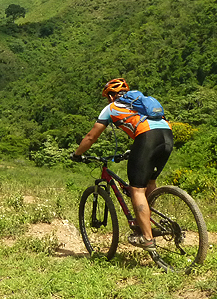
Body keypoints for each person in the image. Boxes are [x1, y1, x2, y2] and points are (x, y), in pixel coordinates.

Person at [71, 78, 173, 251]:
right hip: (167, 136)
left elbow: (91, 137)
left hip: (147, 137)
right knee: (149, 182)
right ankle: (147, 222)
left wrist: (77, 154)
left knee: (136, 189)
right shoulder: (140, 102)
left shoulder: (111, 108)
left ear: (111, 96)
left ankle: (147, 238)